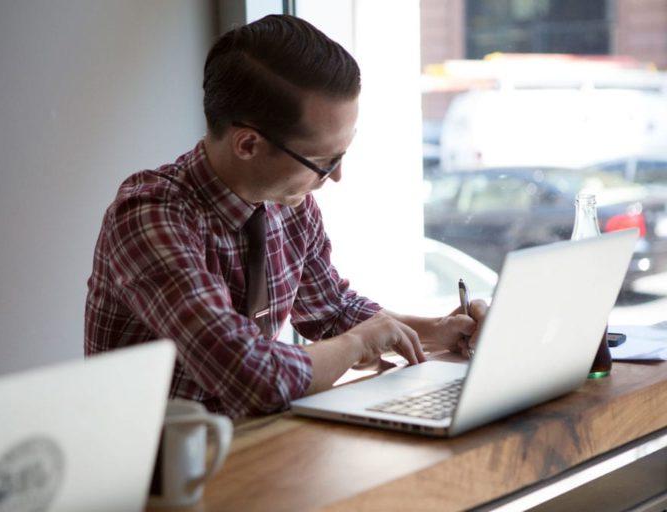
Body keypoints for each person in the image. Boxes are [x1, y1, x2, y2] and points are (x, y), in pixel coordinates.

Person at [85, 14, 487, 418]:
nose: (337, 176)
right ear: (247, 144)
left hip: (254, 447)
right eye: (323, 161)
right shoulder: (148, 219)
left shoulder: (288, 202)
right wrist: (357, 344)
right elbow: (253, 378)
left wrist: (437, 332)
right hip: (153, 469)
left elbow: (333, 311)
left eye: (341, 155)